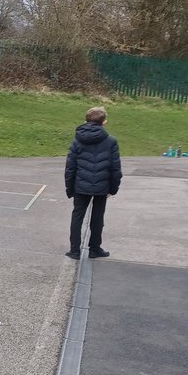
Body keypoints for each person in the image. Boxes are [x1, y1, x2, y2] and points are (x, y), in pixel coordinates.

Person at [65, 106, 122, 260]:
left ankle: (74, 250)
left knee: (77, 216)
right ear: (104, 122)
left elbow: (70, 166)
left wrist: (69, 188)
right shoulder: (111, 141)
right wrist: (113, 188)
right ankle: (94, 248)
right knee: (97, 217)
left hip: (80, 185)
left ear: (86, 120)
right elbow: (115, 167)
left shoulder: (77, 140)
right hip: (101, 186)